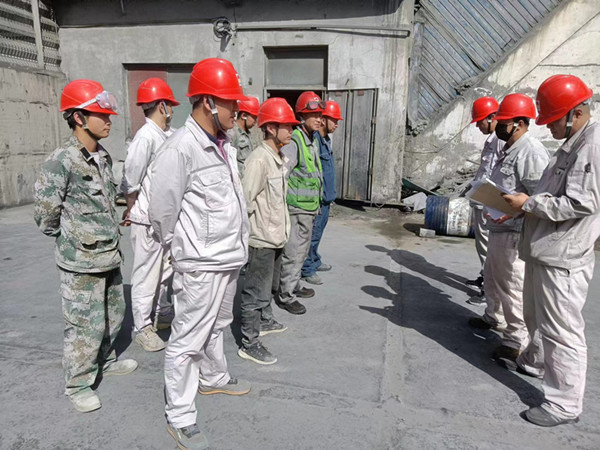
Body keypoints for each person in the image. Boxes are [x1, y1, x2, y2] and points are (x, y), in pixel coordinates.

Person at [149, 58, 250, 450]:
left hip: (228, 258)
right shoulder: (180, 149)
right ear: (208, 102)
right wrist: (186, 252)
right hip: (201, 265)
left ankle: (213, 378)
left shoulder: (223, 145)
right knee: (187, 340)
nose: (236, 109)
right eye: (230, 102)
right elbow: (162, 213)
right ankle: (180, 415)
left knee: (218, 324)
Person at [33, 79, 138, 413]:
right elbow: (45, 216)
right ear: (78, 117)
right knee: (83, 325)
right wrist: (74, 238)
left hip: (108, 255)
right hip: (80, 262)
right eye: (100, 115)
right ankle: (78, 384)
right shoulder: (61, 160)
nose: (108, 121)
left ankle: (105, 360)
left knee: (112, 315)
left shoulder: (101, 156)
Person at [502, 75, 598, 427]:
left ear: (575, 114)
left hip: (564, 257)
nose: (548, 126)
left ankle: (564, 404)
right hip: (548, 250)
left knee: (562, 331)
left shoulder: (592, 146)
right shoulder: (574, 143)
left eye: (553, 119)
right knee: (538, 318)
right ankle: (535, 362)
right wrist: (525, 206)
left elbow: (581, 202)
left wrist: (528, 204)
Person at [468, 93, 549, 363]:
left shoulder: (531, 152)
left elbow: (539, 198)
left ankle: (515, 340)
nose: (499, 127)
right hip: (498, 225)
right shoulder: (510, 148)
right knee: (493, 278)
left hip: (514, 231)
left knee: (512, 286)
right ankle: (494, 317)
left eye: (503, 122)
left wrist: (517, 210)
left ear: (520, 123)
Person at [238, 98, 299, 365]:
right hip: (261, 239)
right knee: (254, 292)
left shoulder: (279, 159)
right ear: (271, 128)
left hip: (276, 237)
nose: (292, 131)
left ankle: (264, 321)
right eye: (287, 126)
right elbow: (245, 201)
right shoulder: (259, 160)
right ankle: (249, 343)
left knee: (268, 287)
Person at [120, 78, 179, 352]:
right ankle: (142, 327)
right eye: (170, 106)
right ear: (162, 106)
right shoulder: (146, 136)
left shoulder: (166, 134)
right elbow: (131, 179)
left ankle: (161, 313)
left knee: (165, 271)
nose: (172, 111)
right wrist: (132, 208)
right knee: (146, 275)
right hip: (146, 220)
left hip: (164, 219)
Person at [273, 91, 325, 315]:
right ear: (302, 116)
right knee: (293, 254)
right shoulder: (295, 141)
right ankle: (286, 296)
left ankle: (293, 285)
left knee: (301, 252)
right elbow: (281, 174)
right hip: (297, 208)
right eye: (314, 115)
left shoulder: (310, 140)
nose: (319, 120)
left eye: (320, 116)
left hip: (308, 208)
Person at [464, 97, 504, 305]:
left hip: (489, 202)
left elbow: (497, 175)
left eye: (480, 121)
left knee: (487, 246)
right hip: (482, 199)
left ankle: (489, 289)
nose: (478, 126)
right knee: (483, 244)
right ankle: (484, 276)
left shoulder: (500, 141)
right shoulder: (492, 140)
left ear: (492, 117)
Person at [301, 100, 343, 285]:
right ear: (324, 120)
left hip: (326, 197)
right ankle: (307, 268)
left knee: (319, 233)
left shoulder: (326, 141)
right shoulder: (316, 140)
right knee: (313, 234)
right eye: (334, 120)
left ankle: (315, 260)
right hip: (318, 198)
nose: (336, 124)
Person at [230, 96, 259, 175]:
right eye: (254, 117)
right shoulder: (232, 133)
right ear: (243, 116)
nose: (255, 121)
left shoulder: (249, 134)